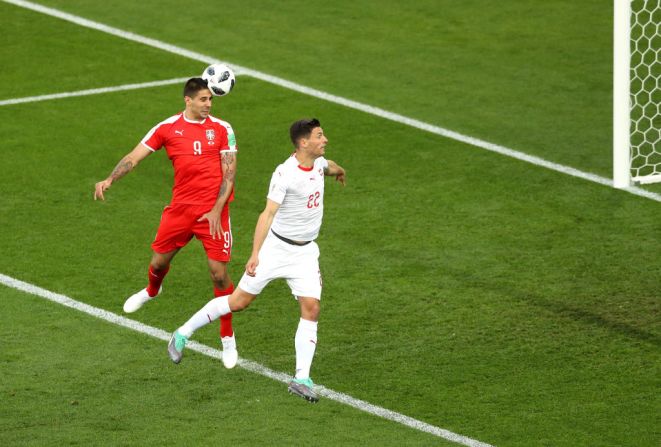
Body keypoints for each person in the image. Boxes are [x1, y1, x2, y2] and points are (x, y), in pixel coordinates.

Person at [167, 118, 346, 403]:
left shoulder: (319, 164)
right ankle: (182, 333)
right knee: (238, 302)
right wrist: (255, 254)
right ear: (303, 143)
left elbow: (329, 166)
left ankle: (301, 378)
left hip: (306, 253)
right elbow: (267, 214)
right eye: (319, 136)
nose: (325, 140)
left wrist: (340, 171)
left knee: (311, 309)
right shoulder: (284, 174)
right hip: (276, 249)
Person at [94, 77, 239, 369]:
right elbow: (135, 157)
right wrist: (110, 179)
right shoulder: (167, 128)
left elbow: (229, 173)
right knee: (158, 264)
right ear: (187, 100)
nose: (208, 105)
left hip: (214, 212)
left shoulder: (223, 130)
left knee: (218, 275)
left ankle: (227, 337)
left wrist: (216, 209)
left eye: (210, 100)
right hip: (181, 210)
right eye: (203, 100)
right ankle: (152, 290)